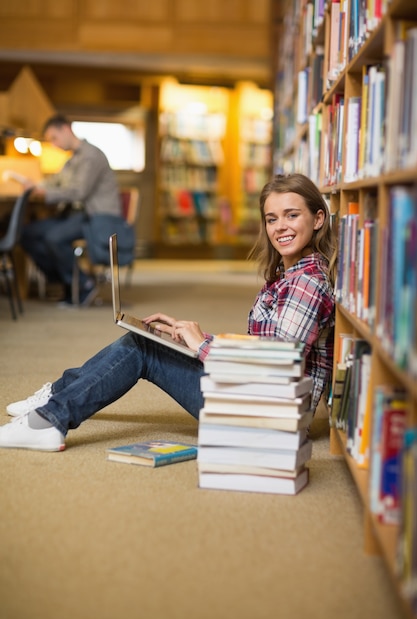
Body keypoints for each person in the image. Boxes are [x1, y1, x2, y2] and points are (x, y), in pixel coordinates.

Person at [0, 173, 336, 452]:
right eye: (272, 218)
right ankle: (55, 400)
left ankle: (50, 417)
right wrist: (199, 338)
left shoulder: (307, 282)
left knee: (141, 347)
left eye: (292, 215)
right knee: (146, 340)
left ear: (317, 218)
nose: (280, 227)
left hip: (264, 416)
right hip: (253, 398)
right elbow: (266, 346)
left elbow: (275, 364)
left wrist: (202, 347)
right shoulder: (293, 274)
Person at [20, 114, 123, 305]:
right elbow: (55, 181)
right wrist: (36, 186)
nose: (53, 144)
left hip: (96, 216)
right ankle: (65, 281)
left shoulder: (90, 155)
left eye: (54, 138)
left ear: (66, 129)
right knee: (27, 232)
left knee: (53, 238)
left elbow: (79, 192)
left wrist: (45, 194)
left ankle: (82, 286)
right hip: (75, 215)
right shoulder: (73, 159)